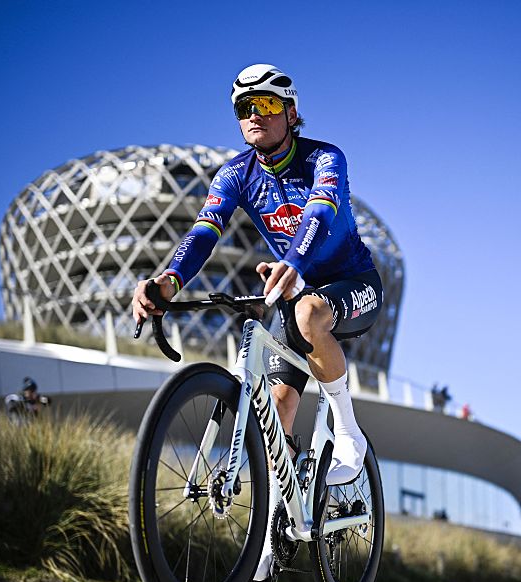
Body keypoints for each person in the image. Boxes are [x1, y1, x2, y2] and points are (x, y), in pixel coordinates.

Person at [131, 64, 383, 490]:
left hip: (353, 283)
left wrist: (295, 264)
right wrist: (169, 281)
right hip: (292, 290)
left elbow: (321, 213)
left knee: (308, 313)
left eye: (266, 104)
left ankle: (347, 432)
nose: (255, 114)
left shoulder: (325, 157)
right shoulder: (235, 174)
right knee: (275, 416)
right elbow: (204, 231)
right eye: (245, 107)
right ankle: (269, 545)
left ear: (291, 112)